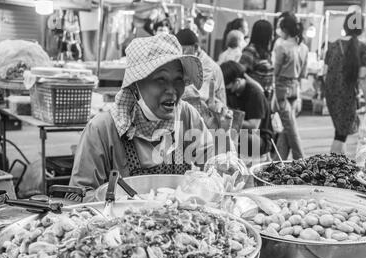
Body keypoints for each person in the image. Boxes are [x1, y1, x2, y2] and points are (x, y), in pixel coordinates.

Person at [70, 33, 214, 199]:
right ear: (135, 85)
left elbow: (211, 166)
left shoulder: (186, 116)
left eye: (178, 79)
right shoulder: (102, 129)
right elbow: (78, 196)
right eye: (160, 79)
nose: (172, 89)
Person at [324, 11, 366, 154]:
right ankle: (331, 166)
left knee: (340, 132)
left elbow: (323, 72)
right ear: (361, 28)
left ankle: (340, 165)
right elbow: (364, 77)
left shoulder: (333, 45)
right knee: (340, 136)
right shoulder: (362, 48)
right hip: (348, 96)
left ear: (345, 25)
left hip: (331, 96)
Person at [175, 28, 231, 131]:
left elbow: (197, 95)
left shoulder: (208, 67)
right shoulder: (188, 63)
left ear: (196, 47)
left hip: (212, 122)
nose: (180, 54)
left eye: (183, 50)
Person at [272, 12, 308, 160]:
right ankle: (278, 161)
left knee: (291, 129)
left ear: (285, 30)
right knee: (288, 126)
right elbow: (304, 73)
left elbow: (275, 71)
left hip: (282, 87)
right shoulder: (304, 48)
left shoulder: (282, 46)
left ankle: (301, 159)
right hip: (295, 87)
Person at [220, 60, 273, 160]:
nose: (226, 89)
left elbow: (254, 126)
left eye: (228, 86)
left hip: (260, 138)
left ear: (237, 81)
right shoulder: (232, 92)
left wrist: (231, 120)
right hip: (241, 133)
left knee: (227, 137)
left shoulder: (255, 94)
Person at [239, 19, 274, 100]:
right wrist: (257, 86)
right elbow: (240, 72)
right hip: (254, 97)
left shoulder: (266, 52)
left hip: (265, 97)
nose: (272, 37)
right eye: (271, 34)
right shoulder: (250, 52)